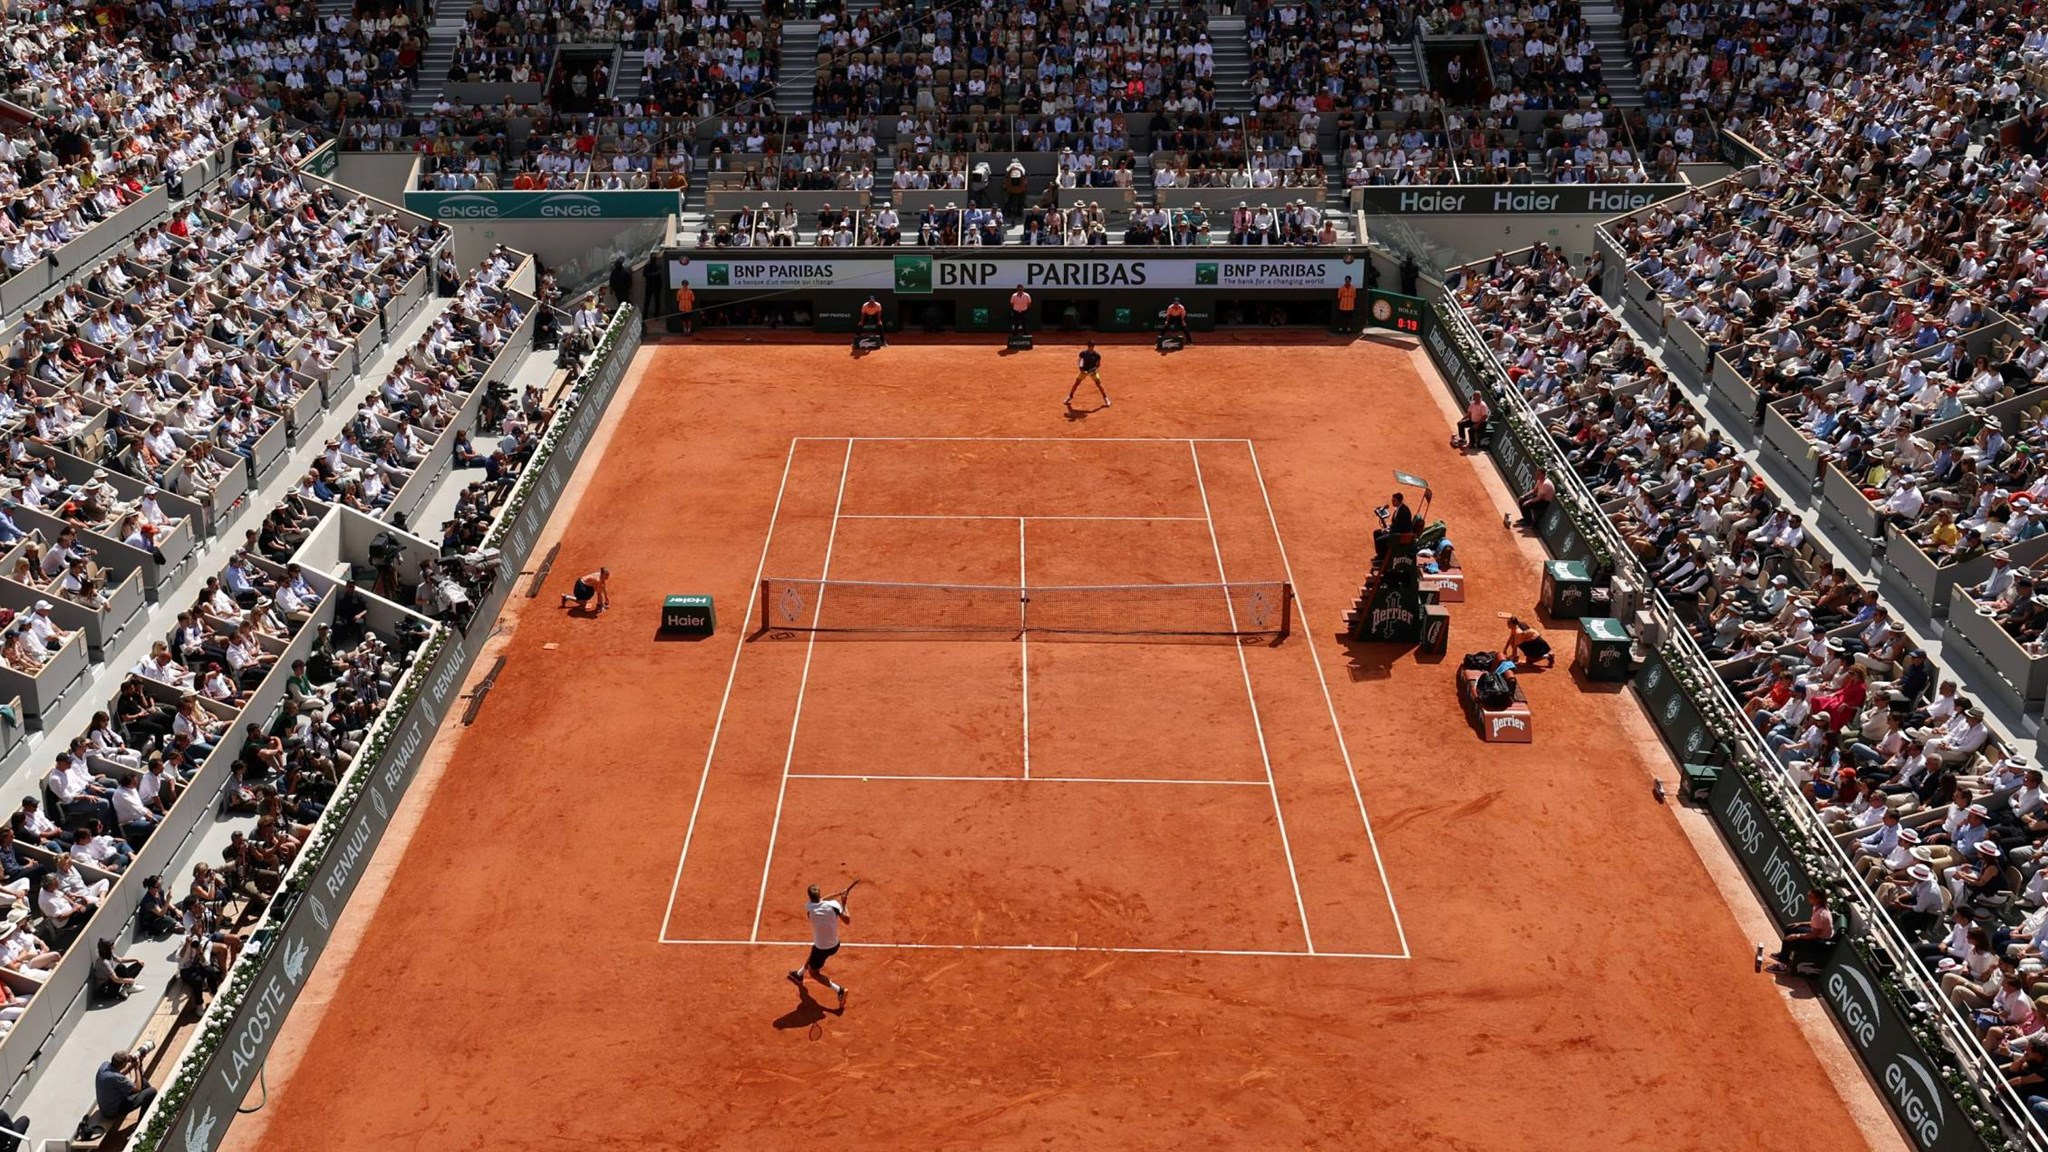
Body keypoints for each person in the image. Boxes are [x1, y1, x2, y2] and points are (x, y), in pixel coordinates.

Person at [788, 882, 851, 1008]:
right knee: (813, 951)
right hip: (835, 945)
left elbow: (821, 900)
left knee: (814, 973)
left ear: (810, 897)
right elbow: (847, 920)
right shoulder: (834, 905)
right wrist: (843, 901)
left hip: (822, 948)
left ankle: (839, 990)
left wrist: (838, 894)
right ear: (819, 894)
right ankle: (799, 974)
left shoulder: (809, 907)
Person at [1765, 888, 1836, 974]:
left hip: (1819, 942)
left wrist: (1797, 935)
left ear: (1818, 899)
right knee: (1790, 928)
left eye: (1811, 896)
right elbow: (1814, 924)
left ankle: (1781, 966)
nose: (1808, 898)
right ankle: (1785, 955)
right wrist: (1800, 924)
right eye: (1808, 895)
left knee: (1788, 940)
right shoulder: (1818, 906)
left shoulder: (1820, 914)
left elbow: (1814, 934)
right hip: (1817, 934)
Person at [94, 1047, 156, 1139]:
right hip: (112, 1111)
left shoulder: (104, 1066)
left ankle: (149, 1111)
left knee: (143, 1082)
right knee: (152, 1092)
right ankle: (141, 1125)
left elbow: (119, 1075)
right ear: (123, 1064)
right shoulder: (116, 1078)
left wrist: (131, 1066)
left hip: (106, 1105)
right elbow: (138, 1088)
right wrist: (137, 1068)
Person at [1372, 491, 1419, 563]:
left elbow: (1401, 528)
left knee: (1380, 540)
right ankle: (1380, 555)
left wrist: (1389, 531)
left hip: (1399, 536)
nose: (1392, 502)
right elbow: (1396, 523)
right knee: (1376, 533)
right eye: (1392, 500)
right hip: (1395, 531)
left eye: (1394, 500)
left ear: (1399, 501)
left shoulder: (1404, 511)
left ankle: (1383, 558)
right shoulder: (1399, 508)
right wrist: (1388, 528)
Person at [1065, 342, 1109, 409]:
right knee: (1076, 384)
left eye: (1091, 346)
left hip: (1093, 372)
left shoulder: (1097, 355)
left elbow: (1098, 365)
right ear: (1087, 346)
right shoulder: (1083, 354)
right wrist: (1081, 369)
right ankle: (1070, 396)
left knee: (1099, 385)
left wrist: (1093, 370)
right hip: (1084, 371)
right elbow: (1079, 361)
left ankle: (1106, 399)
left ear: (1093, 346)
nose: (1090, 347)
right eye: (1089, 346)